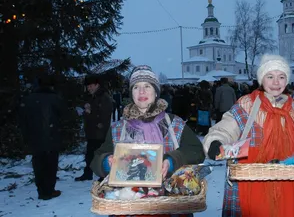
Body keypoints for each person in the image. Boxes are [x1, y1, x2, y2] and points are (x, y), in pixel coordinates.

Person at [203, 54, 294, 217]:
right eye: (270, 76)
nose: (276, 82)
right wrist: (215, 143)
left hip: (291, 185)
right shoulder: (247, 106)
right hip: (252, 183)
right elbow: (224, 130)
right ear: (261, 79)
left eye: (281, 77)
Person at [90, 65, 205, 217]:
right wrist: (107, 162)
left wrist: (171, 161)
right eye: (136, 87)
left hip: (171, 205)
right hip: (128, 206)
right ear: (131, 93)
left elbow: (197, 151)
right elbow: (96, 159)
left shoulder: (173, 124)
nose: (142, 92)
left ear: (156, 92)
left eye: (147, 86)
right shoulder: (119, 128)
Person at [19, 75, 66, 200]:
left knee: (38, 165)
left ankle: (41, 190)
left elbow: (23, 121)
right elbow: (64, 118)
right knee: (50, 166)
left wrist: (26, 137)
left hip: (35, 139)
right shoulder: (55, 99)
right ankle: (49, 190)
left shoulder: (28, 99)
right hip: (52, 138)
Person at [75, 74, 113, 181]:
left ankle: (103, 176)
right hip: (91, 131)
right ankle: (88, 173)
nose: (89, 88)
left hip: (100, 133)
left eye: (91, 86)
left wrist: (89, 112)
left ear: (97, 85)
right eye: (87, 86)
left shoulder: (104, 97)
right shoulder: (90, 97)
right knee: (89, 155)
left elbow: (103, 116)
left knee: (100, 155)